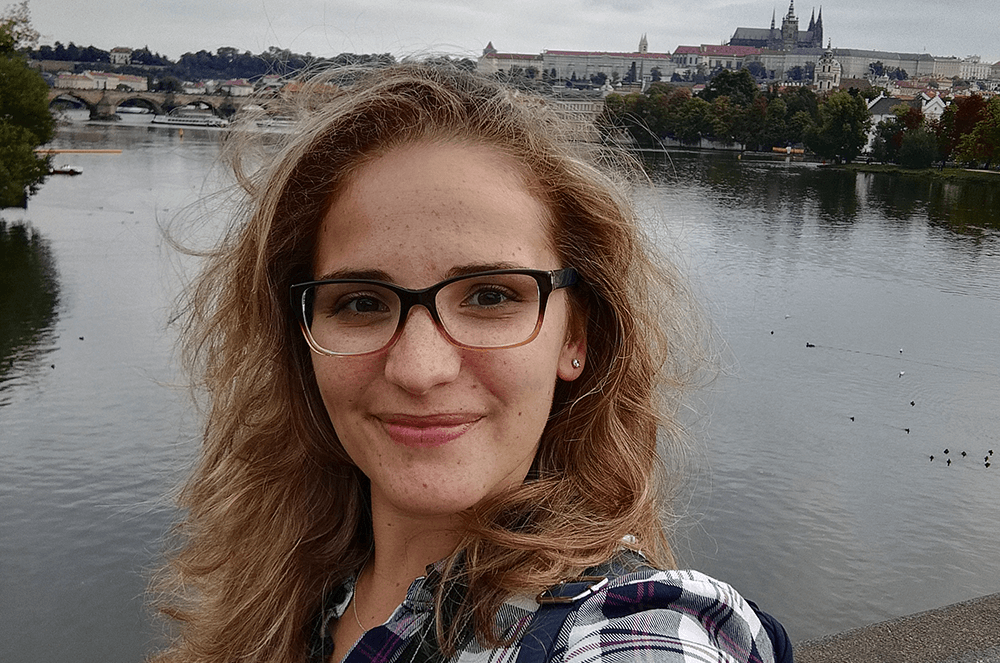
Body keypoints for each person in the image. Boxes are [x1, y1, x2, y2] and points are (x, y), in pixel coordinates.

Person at [154, 63, 789, 663]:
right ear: (301, 338)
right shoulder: (296, 593)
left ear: (579, 336)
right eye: (360, 303)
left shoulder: (623, 631)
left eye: (490, 296)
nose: (418, 369)